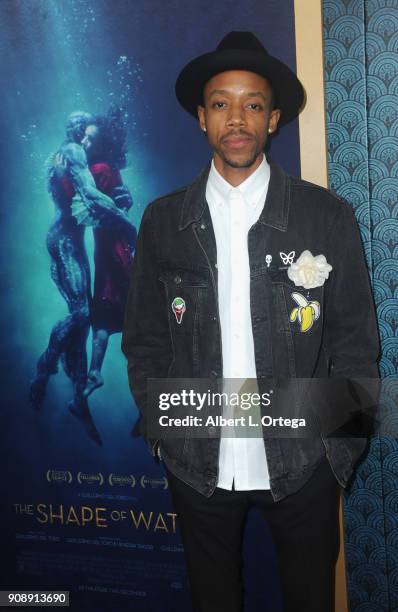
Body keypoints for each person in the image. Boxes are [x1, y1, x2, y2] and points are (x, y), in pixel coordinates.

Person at [121, 32, 380, 612]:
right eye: (221, 103)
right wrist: (165, 432)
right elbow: (143, 342)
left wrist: (339, 452)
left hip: (303, 463)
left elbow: (358, 345)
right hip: (198, 463)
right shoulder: (163, 221)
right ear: (201, 118)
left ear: (274, 119)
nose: (236, 118)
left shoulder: (326, 215)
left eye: (253, 104)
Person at [30, 110, 135, 442]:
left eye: (89, 133)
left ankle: (78, 396)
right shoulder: (74, 153)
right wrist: (127, 223)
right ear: (74, 131)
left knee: (84, 319)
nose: (84, 137)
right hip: (64, 240)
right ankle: (44, 371)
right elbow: (90, 195)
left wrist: (121, 201)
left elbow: (91, 194)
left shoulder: (67, 155)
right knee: (83, 314)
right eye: (81, 131)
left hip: (69, 240)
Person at [77, 107, 137, 397]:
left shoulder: (99, 170)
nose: (83, 143)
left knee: (109, 308)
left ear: (100, 144)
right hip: (109, 246)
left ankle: (95, 372)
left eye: (89, 139)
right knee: (110, 308)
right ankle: (96, 372)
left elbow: (98, 206)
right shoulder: (108, 169)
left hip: (112, 248)